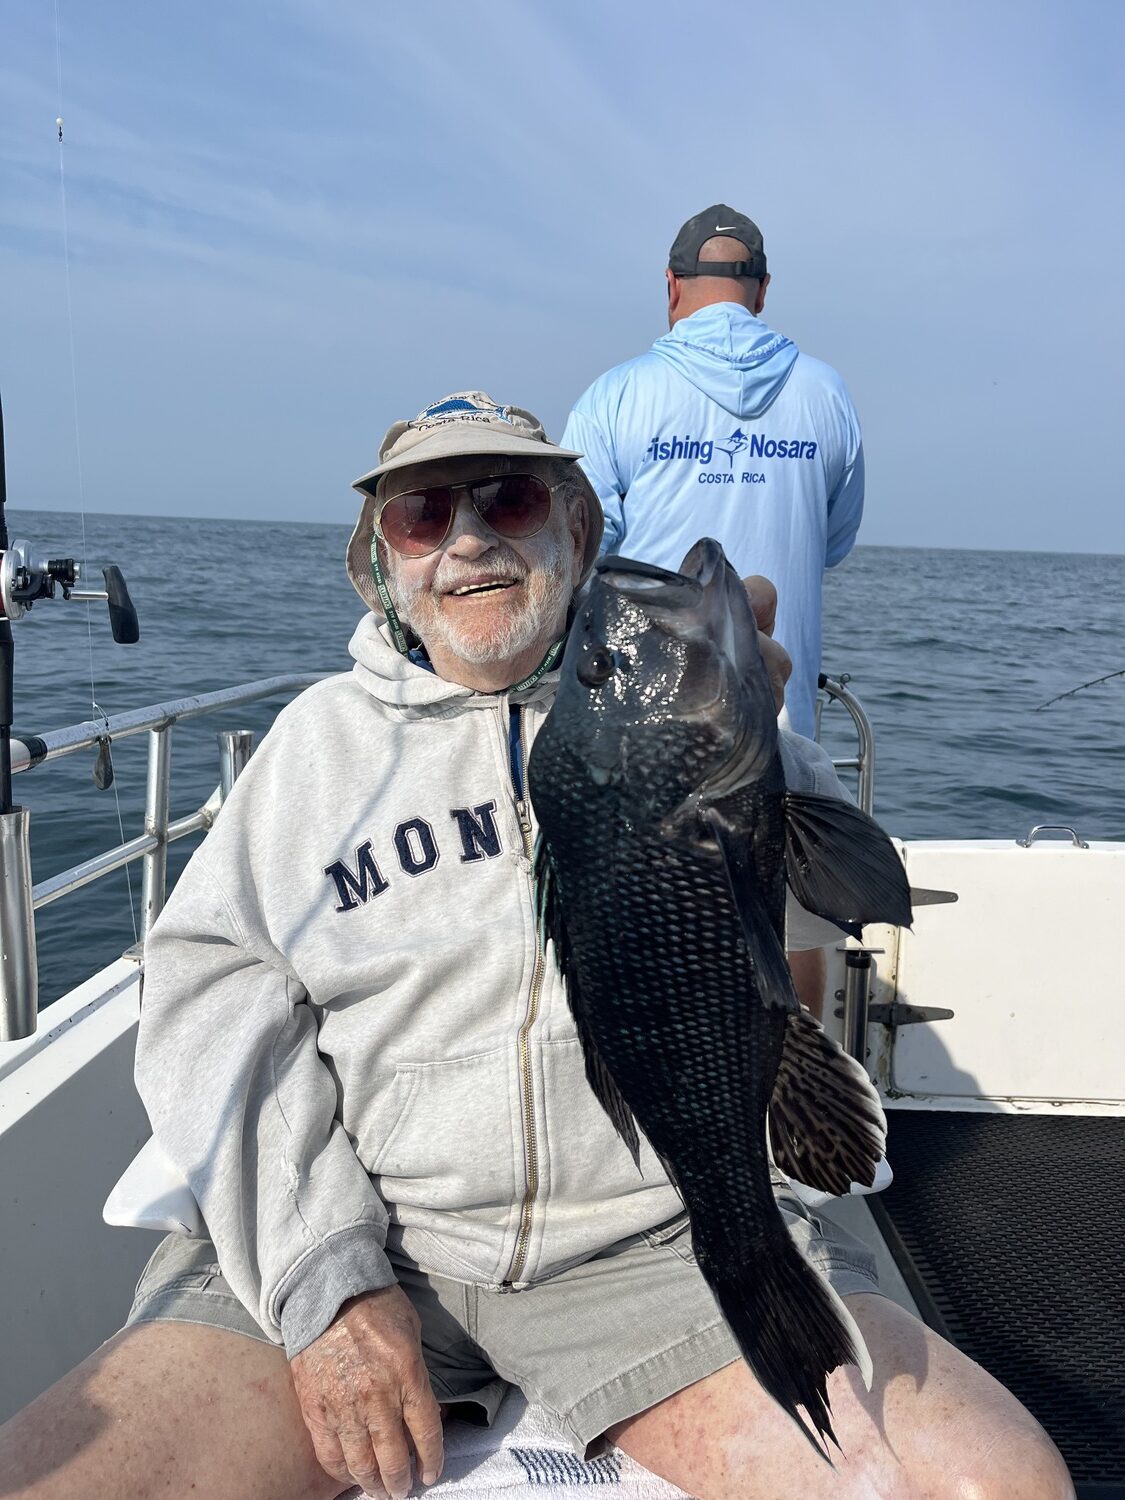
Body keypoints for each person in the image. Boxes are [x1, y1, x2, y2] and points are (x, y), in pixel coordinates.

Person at [0, 392, 1071, 1500]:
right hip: (367, 1239)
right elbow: (208, 999)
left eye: (508, 500)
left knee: (990, 1489)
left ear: (578, 533)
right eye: (423, 515)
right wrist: (327, 1279)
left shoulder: (694, 699)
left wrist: (761, 736)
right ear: (382, 559)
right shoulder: (309, 751)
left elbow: (802, 918)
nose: (467, 540)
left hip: (651, 1248)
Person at [563, 203, 864, 742]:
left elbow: (572, 555)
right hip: (778, 733)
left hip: (644, 730)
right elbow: (833, 543)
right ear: (763, 290)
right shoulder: (827, 394)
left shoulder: (614, 396)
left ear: (671, 284)